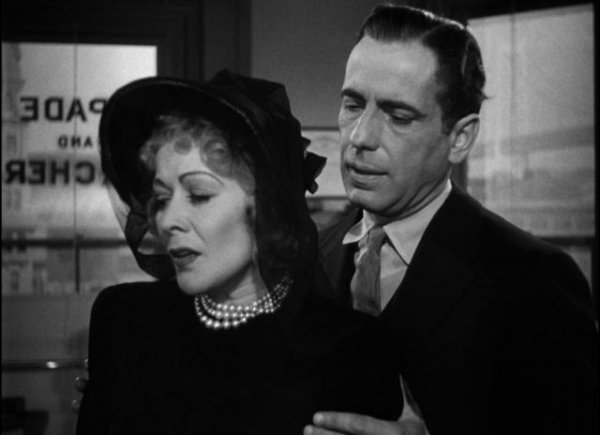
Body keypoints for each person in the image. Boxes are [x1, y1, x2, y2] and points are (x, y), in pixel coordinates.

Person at [305, 4, 598, 435]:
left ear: (460, 138)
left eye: (398, 116)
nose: (360, 137)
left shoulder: (533, 280)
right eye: (353, 104)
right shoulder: (313, 254)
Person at [76, 71, 407, 434]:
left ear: (267, 203)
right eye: (161, 198)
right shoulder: (124, 320)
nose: (168, 220)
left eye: (199, 195)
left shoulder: (354, 350)